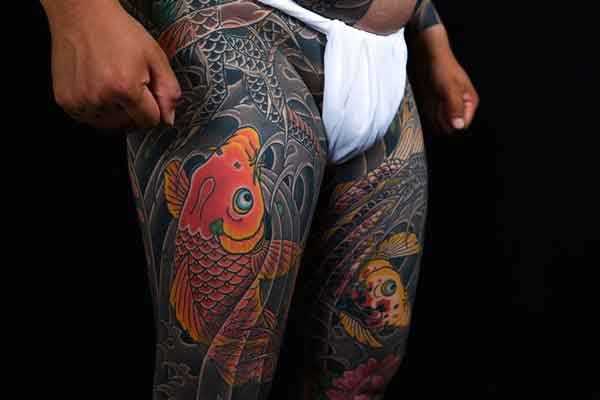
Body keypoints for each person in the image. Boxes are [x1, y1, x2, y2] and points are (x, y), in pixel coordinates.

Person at [41, 0, 479, 399]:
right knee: (215, 387)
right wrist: (80, 13)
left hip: (386, 62)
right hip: (240, 35)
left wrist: (430, 33)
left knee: (360, 378)